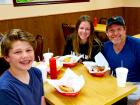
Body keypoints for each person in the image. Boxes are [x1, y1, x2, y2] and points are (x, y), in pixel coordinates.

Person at [0, 29, 46, 105]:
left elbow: (41, 100)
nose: (25, 56)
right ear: (7, 57)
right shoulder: (5, 89)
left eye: (28, 50)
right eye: (17, 52)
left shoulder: (37, 73)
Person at [102, 16, 140, 105]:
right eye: (111, 30)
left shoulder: (137, 45)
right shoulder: (105, 47)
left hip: (136, 88)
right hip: (116, 88)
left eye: (119, 29)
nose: (115, 33)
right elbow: (105, 70)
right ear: (107, 33)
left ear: (125, 30)